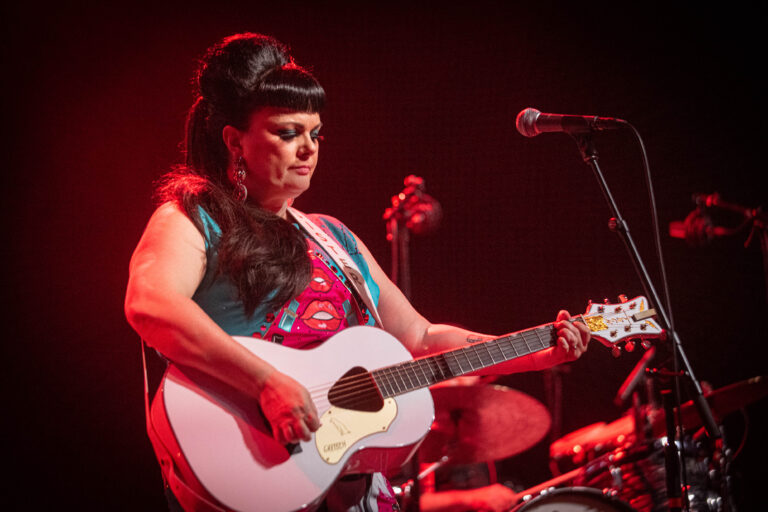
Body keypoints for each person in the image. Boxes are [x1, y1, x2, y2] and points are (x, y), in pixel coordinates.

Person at [124, 32, 591, 512]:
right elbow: (150, 303)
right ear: (234, 141)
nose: (308, 149)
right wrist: (265, 382)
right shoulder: (194, 217)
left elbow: (422, 338)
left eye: (315, 134)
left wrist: (535, 353)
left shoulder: (334, 237)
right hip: (250, 464)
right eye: (287, 133)